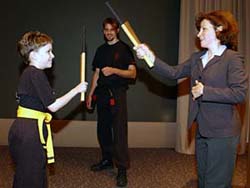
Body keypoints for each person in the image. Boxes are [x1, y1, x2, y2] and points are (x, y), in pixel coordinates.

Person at [134, 10, 248, 188]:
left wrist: (206, 91)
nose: (198, 33)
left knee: (216, 183)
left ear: (219, 29)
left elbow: (240, 93)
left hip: (223, 133)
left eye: (203, 29)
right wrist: (149, 56)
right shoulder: (197, 58)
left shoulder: (232, 59)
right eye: (199, 29)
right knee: (203, 180)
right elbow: (173, 73)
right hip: (202, 130)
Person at [8, 31, 88, 188]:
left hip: (24, 128)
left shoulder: (29, 74)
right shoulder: (36, 74)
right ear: (33, 55)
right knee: (31, 178)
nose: (53, 56)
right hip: (29, 132)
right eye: (48, 51)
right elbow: (53, 106)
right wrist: (77, 90)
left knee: (28, 175)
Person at [86, 17, 136, 187]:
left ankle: (122, 169)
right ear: (103, 31)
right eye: (106, 29)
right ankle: (107, 160)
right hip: (102, 95)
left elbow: (133, 74)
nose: (108, 32)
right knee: (103, 130)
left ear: (117, 31)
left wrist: (114, 70)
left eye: (111, 29)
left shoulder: (124, 49)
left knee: (119, 132)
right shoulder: (100, 50)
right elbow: (96, 74)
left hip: (118, 94)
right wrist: (90, 94)